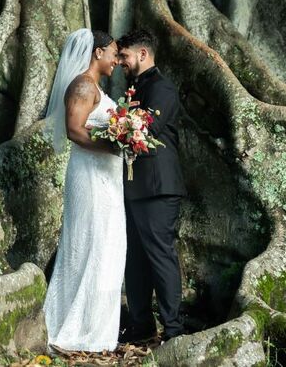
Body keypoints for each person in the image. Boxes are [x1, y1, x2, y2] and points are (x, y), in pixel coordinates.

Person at [42, 28, 126, 352]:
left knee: (108, 247)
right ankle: (75, 328)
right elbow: (74, 130)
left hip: (106, 179)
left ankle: (96, 330)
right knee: (90, 246)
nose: (117, 60)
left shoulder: (95, 88)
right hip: (89, 178)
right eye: (114, 54)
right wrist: (114, 145)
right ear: (98, 53)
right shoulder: (81, 85)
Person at [116, 28, 186, 343]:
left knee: (160, 255)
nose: (120, 62)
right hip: (134, 187)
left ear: (142, 54)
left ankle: (173, 330)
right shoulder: (134, 87)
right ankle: (141, 325)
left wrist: (115, 123)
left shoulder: (163, 88)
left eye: (124, 56)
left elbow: (147, 127)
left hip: (158, 187)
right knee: (135, 258)